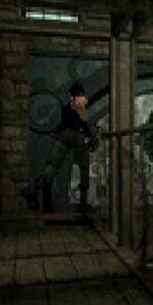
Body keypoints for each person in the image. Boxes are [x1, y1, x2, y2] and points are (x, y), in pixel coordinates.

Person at [24, 82, 98, 212]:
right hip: (76, 137)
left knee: (52, 167)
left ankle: (35, 189)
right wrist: (90, 136)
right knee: (83, 168)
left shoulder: (66, 106)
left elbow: (61, 122)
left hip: (63, 136)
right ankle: (83, 200)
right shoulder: (80, 104)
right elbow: (84, 124)